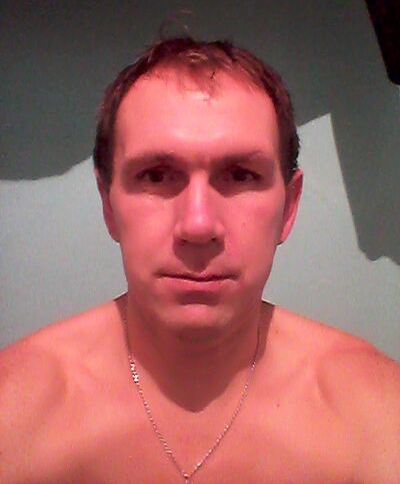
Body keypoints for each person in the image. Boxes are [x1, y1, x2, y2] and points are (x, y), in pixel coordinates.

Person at [1, 37, 399, 484]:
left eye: (240, 175)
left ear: (289, 207)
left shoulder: (377, 417)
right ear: (108, 205)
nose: (197, 225)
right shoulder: (14, 414)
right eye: (156, 175)